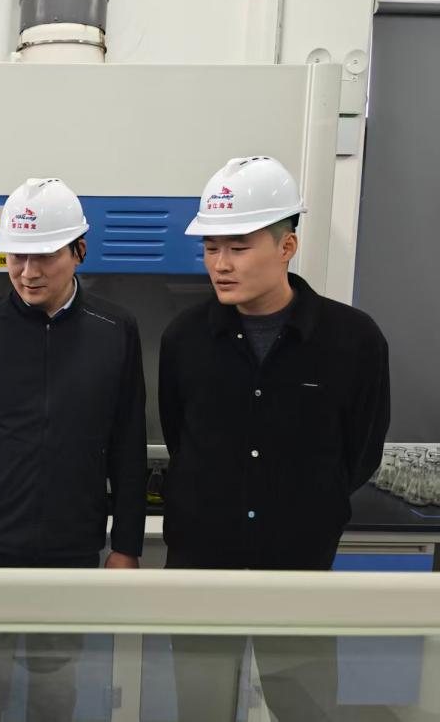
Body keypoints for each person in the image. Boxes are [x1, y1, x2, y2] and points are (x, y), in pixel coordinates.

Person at [159, 156, 390, 720]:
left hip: (299, 567)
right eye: (211, 248)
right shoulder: (184, 339)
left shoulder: (353, 340)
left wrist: (302, 505)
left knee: (305, 709)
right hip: (201, 567)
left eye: (238, 248)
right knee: (201, 709)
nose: (220, 264)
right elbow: (180, 436)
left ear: (287, 247)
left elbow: (360, 451)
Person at [0, 178, 148, 722]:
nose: (28, 272)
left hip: (71, 546)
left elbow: (128, 446)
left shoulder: (114, 329)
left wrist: (126, 545)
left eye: (44, 256)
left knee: (53, 693)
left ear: (79, 251)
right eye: (16, 256)